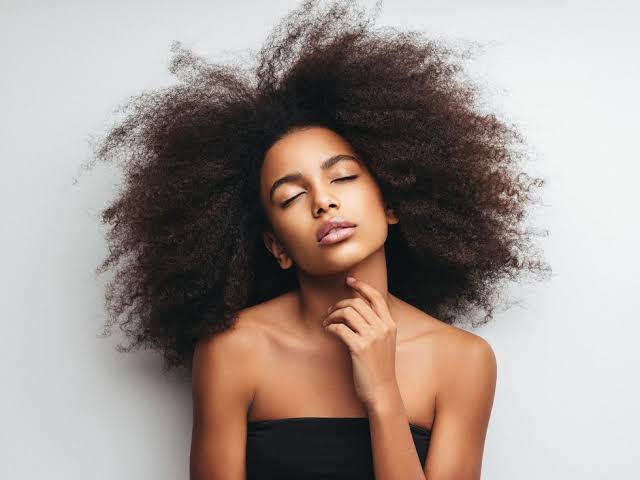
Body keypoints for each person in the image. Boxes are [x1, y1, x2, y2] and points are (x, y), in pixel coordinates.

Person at [90, 0, 551, 478]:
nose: (323, 203)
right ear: (277, 246)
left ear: (390, 205)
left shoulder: (462, 360)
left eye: (344, 178)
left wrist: (382, 392)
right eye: (291, 197)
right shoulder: (234, 349)